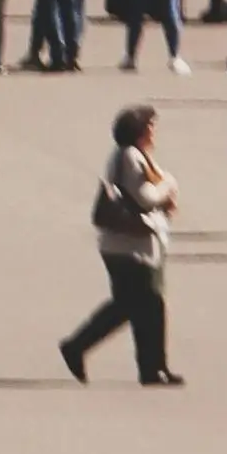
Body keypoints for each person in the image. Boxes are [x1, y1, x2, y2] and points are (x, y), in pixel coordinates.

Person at [61, 102, 179, 385]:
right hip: (130, 247)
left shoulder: (133, 156)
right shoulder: (130, 157)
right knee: (138, 305)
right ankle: (77, 346)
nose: (154, 131)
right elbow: (145, 197)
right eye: (151, 125)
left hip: (132, 245)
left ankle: (153, 368)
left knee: (142, 306)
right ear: (140, 130)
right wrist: (169, 186)